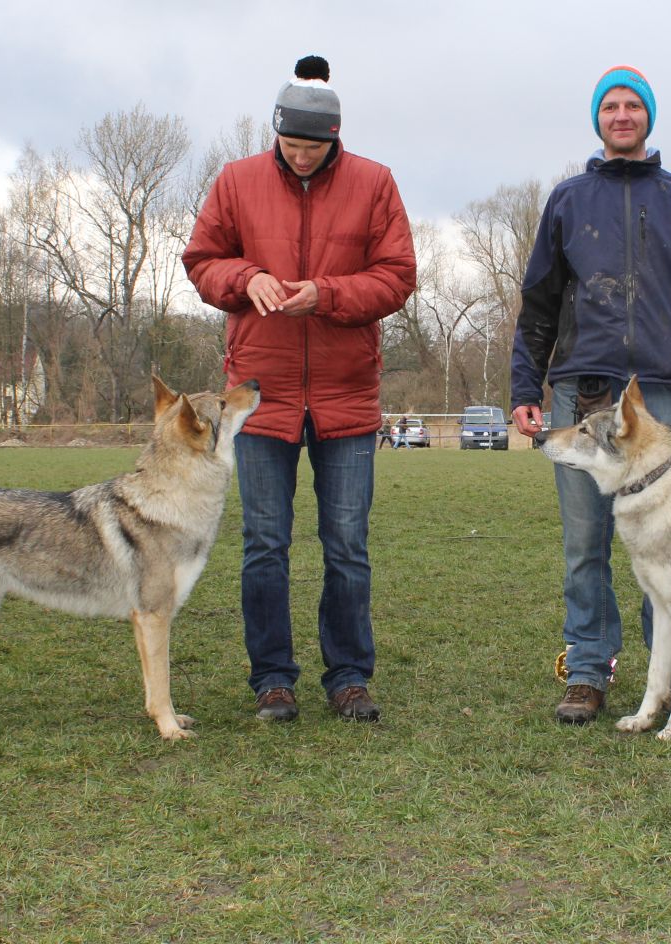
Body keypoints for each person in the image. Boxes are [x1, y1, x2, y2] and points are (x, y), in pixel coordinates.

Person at [182, 55, 417, 723]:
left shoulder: (375, 184)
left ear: (335, 139)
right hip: (259, 395)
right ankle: (272, 680)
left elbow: (398, 276)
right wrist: (243, 278)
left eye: (314, 147)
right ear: (275, 135)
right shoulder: (235, 181)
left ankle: (348, 677)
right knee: (264, 544)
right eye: (290, 145)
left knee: (346, 545)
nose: (302, 157)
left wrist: (329, 295)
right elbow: (202, 261)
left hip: (346, 396)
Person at [509, 65, 671, 725]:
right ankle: (587, 671)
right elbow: (538, 306)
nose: (621, 114)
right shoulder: (567, 200)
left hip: (661, 398)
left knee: (669, 540)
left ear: (648, 118)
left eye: (632, 105)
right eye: (609, 106)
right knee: (586, 543)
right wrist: (526, 386)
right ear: (598, 120)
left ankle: (669, 683)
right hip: (581, 389)